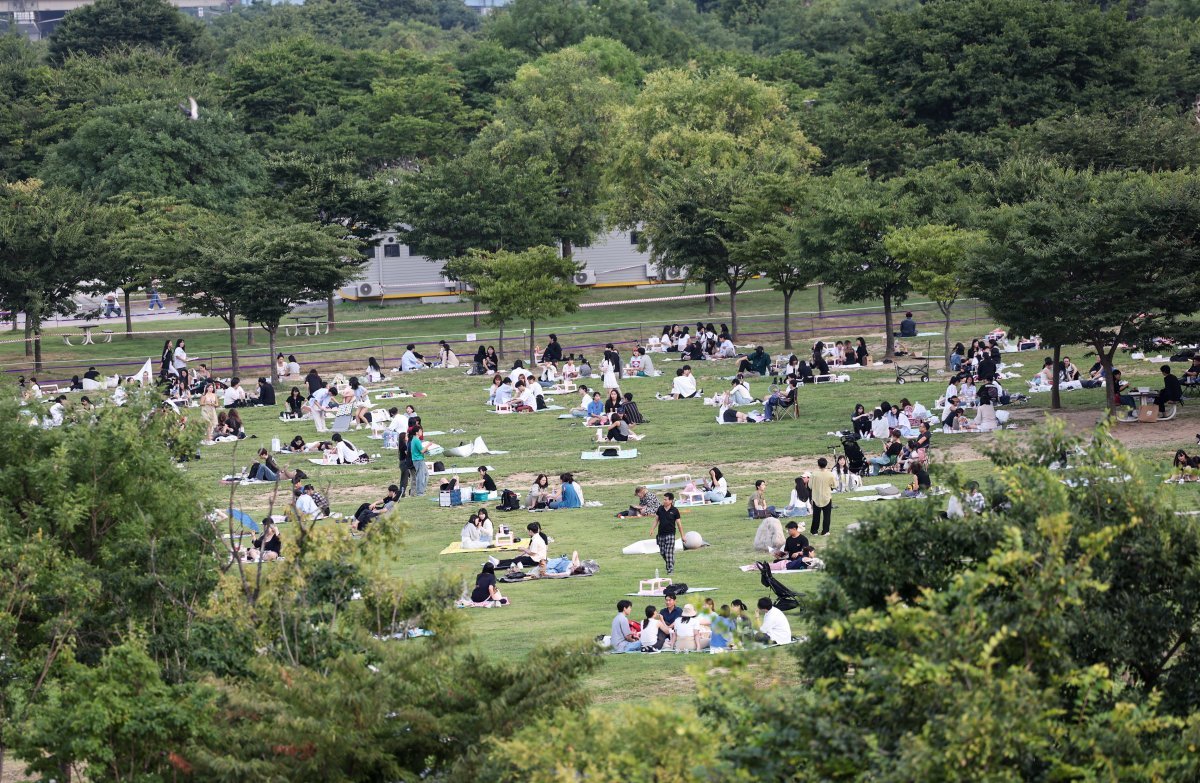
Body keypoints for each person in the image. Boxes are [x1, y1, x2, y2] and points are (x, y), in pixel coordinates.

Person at [652, 492, 684, 575]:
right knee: (663, 553)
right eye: (664, 499)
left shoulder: (675, 510)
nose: (664, 501)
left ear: (670, 501)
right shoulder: (660, 509)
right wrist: (652, 529)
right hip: (660, 535)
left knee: (668, 553)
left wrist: (682, 536)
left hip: (670, 535)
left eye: (666, 499)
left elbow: (679, 524)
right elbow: (656, 520)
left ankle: (670, 570)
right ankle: (671, 561)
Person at [810, 457, 837, 537]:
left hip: (816, 497)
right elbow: (835, 485)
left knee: (816, 515)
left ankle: (814, 531)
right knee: (827, 515)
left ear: (818, 465)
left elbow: (810, 485)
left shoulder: (814, 474)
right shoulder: (830, 474)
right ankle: (825, 531)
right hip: (826, 497)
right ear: (826, 465)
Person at [410, 425, 436, 497]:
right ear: (416, 432)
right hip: (418, 460)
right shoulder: (416, 440)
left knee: (425, 475)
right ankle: (420, 493)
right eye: (420, 431)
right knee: (421, 476)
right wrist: (428, 445)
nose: (421, 432)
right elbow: (422, 451)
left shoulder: (414, 440)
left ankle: (421, 491)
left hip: (418, 460)